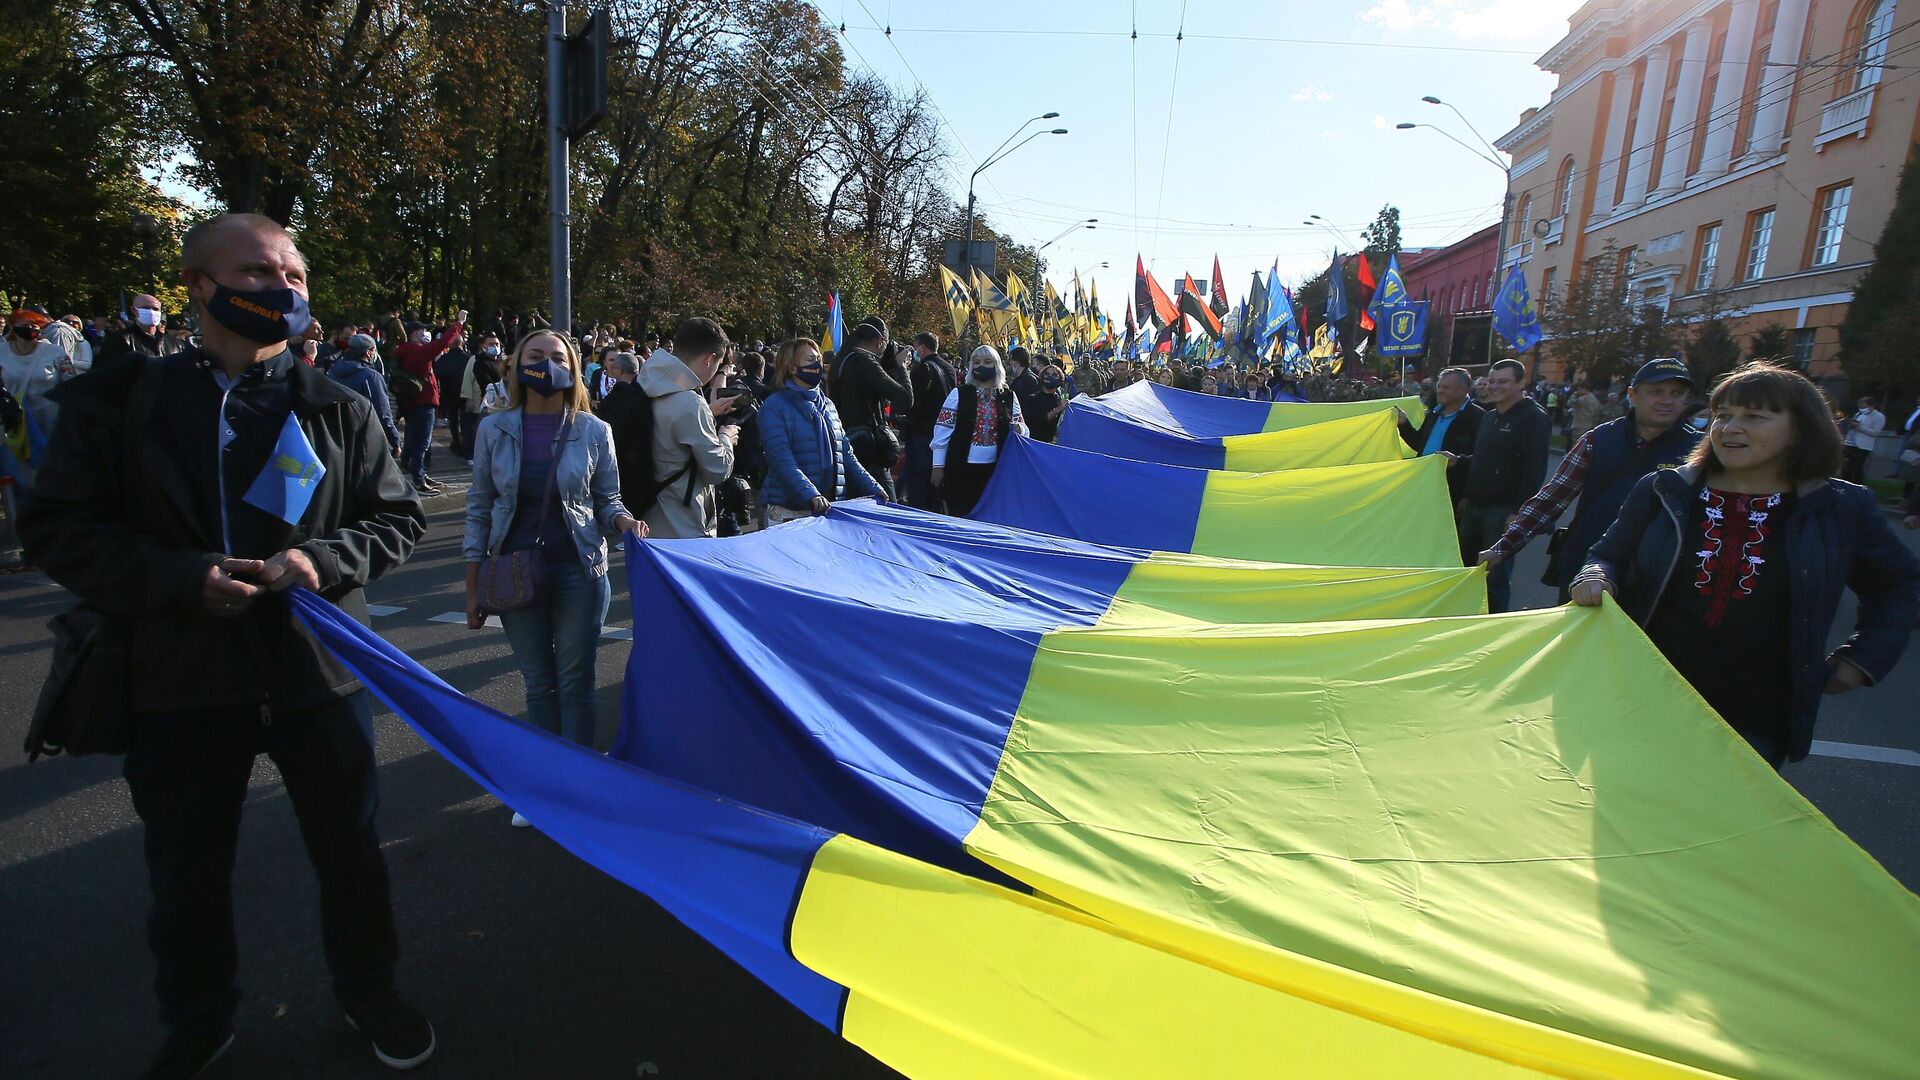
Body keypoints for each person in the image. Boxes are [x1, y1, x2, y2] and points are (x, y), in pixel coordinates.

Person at [18, 212, 433, 1077]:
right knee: (187, 873)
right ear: (200, 287)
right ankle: (199, 1022)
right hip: (179, 682)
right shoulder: (123, 402)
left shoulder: (338, 407)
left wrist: (321, 560)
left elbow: (396, 518)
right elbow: (58, 530)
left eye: (296, 275)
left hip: (316, 678)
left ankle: (371, 993)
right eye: (257, 271)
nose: (283, 289)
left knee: (351, 857)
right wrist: (177, 580)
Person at [1573, 363, 1920, 768]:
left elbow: (1900, 585)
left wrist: (1863, 659)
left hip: (1756, 716)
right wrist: (1596, 577)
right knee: (1623, 814)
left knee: (1716, 826)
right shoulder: (1663, 489)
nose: (1729, 428)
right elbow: (1607, 554)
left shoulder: (1841, 507)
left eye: (1754, 416)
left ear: (1799, 430)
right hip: (1642, 693)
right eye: (1723, 415)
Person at [465, 329, 644, 783]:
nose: (547, 365)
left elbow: (607, 499)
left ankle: (580, 780)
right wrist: (473, 587)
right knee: (537, 682)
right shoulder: (493, 428)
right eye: (536, 355)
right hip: (512, 569)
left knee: (575, 681)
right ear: (515, 365)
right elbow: (479, 505)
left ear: (574, 368)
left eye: (558, 356)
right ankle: (545, 782)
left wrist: (623, 522)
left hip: (579, 570)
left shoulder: (593, 429)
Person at [1479, 358, 1702, 602]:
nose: (1667, 401)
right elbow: (1553, 497)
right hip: (1585, 571)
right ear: (1633, 394)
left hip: (1657, 581)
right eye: (1656, 391)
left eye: (1677, 393)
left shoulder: (1699, 449)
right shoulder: (1598, 439)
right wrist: (1504, 547)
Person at [1455, 358, 1551, 613]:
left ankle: (1493, 622)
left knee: (1495, 574)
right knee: (1467, 566)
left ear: (1521, 383)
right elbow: (1483, 459)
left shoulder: (1533, 418)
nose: (1495, 387)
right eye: (1492, 381)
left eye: (1503, 382)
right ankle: (1465, 615)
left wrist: (1520, 512)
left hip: (1502, 509)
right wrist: (1463, 475)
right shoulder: (1490, 417)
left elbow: (1534, 469)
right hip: (1475, 505)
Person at [757, 338, 885, 525]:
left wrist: (873, 487)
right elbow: (780, 458)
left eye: (818, 359)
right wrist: (811, 494)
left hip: (828, 509)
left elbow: (846, 455)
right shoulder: (774, 407)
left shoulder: (827, 405)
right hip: (789, 512)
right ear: (791, 367)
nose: (817, 364)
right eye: (810, 360)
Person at [638, 317, 739, 538]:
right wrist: (726, 438)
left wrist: (708, 412)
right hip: (683, 524)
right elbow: (717, 470)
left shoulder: (644, 384)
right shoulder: (691, 403)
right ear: (710, 359)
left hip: (643, 517)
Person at [931, 346, 1027, 517]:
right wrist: (937, 466)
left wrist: (1020, 429)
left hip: (996, 471)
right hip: (961, 469)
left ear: (996, 365)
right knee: (961, 514)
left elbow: (1024, 431)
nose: (981, 365)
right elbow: (942, 431)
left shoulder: (1009, 397)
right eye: (976, 362)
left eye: (987, 362)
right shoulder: (958, 394)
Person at [832, 318, 912, 500]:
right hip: (869, 450)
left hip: (847, 445)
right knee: (887, 509)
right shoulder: (865, 362)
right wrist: (903, 368)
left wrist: (887, 366)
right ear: (879, 341)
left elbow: (871, 390)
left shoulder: (842, 361)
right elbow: (905, 398)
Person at [391, 314, 466, 494]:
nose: (426, 333)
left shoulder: (405, 350)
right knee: (422, 442)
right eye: (423, 330)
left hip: (412, 401)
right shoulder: (417, 350)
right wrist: (459, 324)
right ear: (415, 333)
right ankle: (418, 478)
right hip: (423, 402)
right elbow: (442, 343)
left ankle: (419, 473)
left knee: (413, 438)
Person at [1397, 367, 1483, 509]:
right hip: (1422, 485)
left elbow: (1481, 460)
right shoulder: (1434, 414)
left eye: (1446, 387)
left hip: (1451, 493)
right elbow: (1419, 444)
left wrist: (1467, 494)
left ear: (1463, 390)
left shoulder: (1477, 418)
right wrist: (1404, 424)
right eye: (1439, 386)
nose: (1439, 390)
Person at [899, 332, 954, 512]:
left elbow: (911, 402)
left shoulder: (922, 370)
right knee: (935, 486)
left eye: (915, 347)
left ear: (922, 348)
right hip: (943, 434)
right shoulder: (949, 368)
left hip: (922, 433)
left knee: (919, 484)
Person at [328, 333, 402, 450]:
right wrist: (394, 440)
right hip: (364, 437)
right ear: (369, 352)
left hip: (335, 436)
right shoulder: (371, 376)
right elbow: (382, 412)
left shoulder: (333, 371)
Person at [433, 331, 475, 460]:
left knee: (453, 420)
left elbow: (437, 374)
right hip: (466, 393)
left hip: (449, 393)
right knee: (466, 421)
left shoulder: (444, 359)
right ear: (462, 343)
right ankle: (467, 445)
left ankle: (456, 442)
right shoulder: (469, 358)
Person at [1842, 396, 1884, 482]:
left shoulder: (1879, 416)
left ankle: (1857, 485)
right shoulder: (1859, 414)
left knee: (1857, 468)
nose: (1862, 409)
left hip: (1862, 446)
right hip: (1850, 443)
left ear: (1871, 405)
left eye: (1864, 407)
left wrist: (1859, 427)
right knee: (1846, 467)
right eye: (1860, 407)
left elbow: (1875, 432)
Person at [1026, 363, 1068, 443]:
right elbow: (1038, 422)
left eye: (1054, 375)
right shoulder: (1033, 399)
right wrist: (1058, 409)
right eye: (1047, 374)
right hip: (1038, 444)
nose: (1050, 377)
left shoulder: (1059, 400)